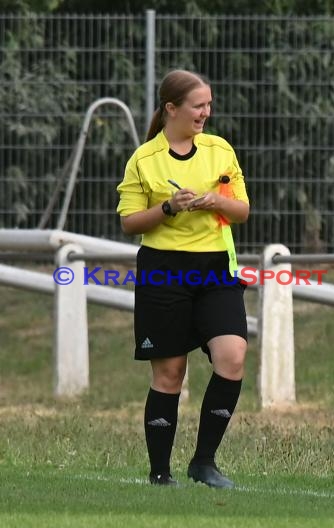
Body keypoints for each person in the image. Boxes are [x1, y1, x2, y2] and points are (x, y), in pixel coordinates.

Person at [116, 69, 249, 488]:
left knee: (233, 357)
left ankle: (204, 463)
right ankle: (160, 473)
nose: (206, 113)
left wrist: (218, 203)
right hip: (163, 271)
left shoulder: (219, 150)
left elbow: (242, 210)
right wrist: (170, 208)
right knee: (170, 373)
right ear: (171, 108)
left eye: (209, 104)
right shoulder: (144, 159)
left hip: (215, 271)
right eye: (198, 105)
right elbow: (130, 223)